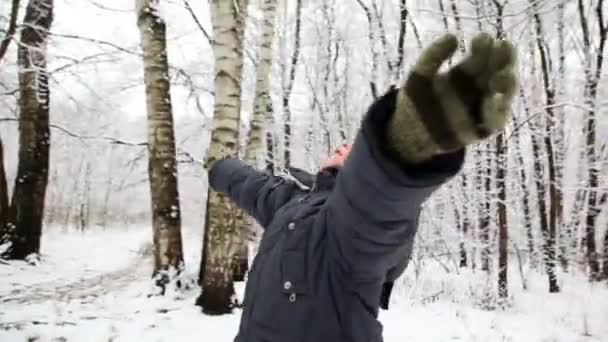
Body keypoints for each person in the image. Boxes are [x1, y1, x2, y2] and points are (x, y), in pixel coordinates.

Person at [208, 33, 518, 342]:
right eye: (341, 145)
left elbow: (376, 207)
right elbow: (251, 185)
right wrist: (219, 167)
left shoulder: (353, 218)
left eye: (353, 150)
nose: (345, 147)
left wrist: (404, 142)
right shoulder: (291, 199)